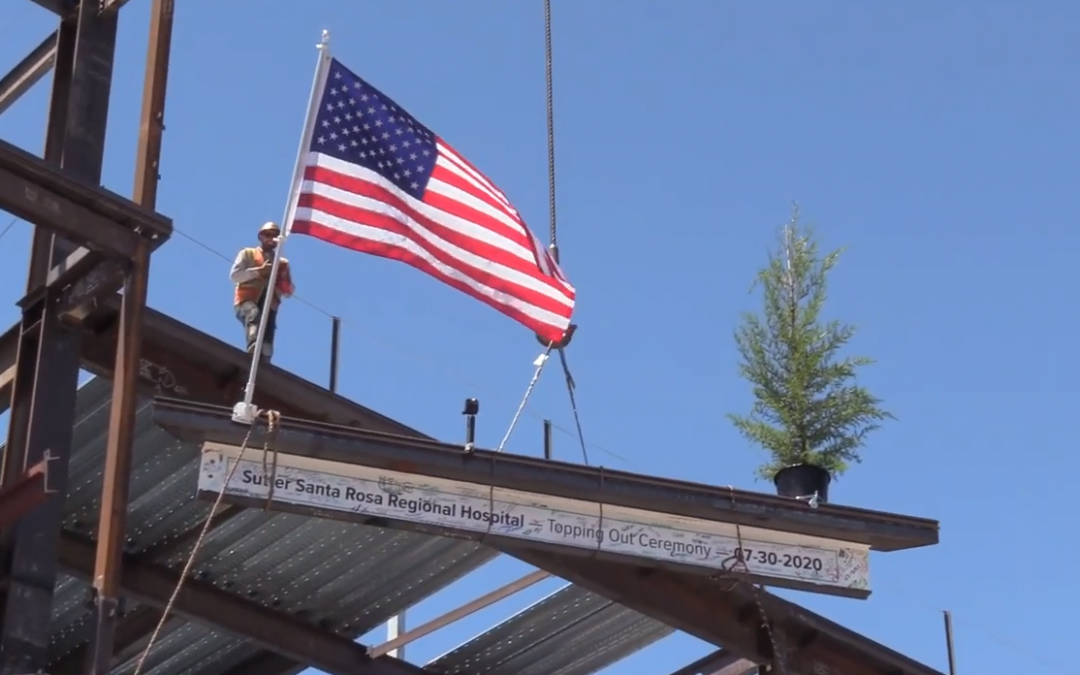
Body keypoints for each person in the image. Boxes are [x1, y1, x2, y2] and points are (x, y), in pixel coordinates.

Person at [230, 222, 295, 364]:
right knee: (253, 314)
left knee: (268, 327)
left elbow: (289, 291)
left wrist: (283, 281)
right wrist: (259, 271)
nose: (272, 239)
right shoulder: (247, 253)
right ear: (261, 236)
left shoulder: (282, 263)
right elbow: (235, 275)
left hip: (270, 303)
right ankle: (253, 345)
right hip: (246, 299)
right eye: (268, 235)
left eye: (275, 236)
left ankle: (265, 357)